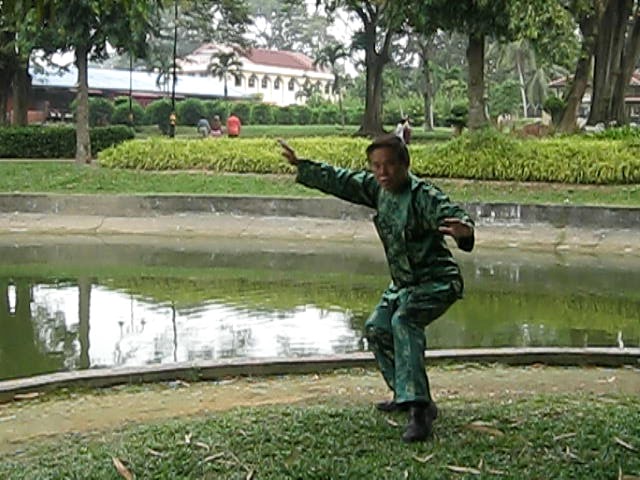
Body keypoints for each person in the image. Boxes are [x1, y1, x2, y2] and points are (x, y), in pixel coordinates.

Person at [279, 134, 474, 443]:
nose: (383, 173)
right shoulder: (377, 189)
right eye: (376, 166)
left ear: (405, 165)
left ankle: (420, 411)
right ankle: (405, 393)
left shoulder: (423, 196)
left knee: (404, 321)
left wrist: (464, 233)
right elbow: (341, 180)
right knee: (377, 328)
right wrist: (302, 165)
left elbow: (453, 216)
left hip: (437, 281)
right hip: (402, 284)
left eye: (390, 166)